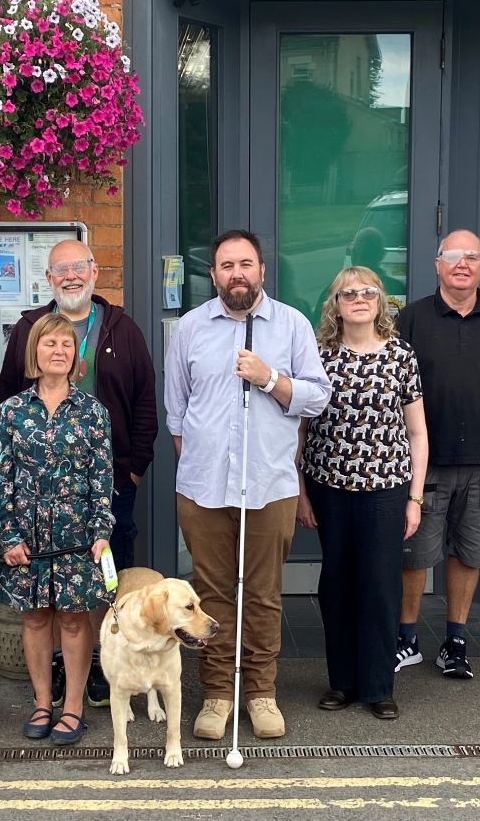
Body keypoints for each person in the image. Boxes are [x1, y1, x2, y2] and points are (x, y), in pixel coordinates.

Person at [165, 229, 331, 742]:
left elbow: (318, 397)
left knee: (261, 594)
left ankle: (260, 692)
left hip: (269, 484)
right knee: (211, 595)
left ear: (262, 270)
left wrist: (268, 379)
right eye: (226, 265)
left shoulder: (292, 325)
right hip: (203, 487)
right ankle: (217, 694)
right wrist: (201, 464)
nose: (236, 273)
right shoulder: (190, 328)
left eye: (246, 264)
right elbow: (177, 414)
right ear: (213, 274)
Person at [0, 238, 157, 708]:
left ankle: (104, 669)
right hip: (35, 500)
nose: (71, 276)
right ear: (48, 279)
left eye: (79, 267)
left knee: (106, 582)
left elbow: (146, 400)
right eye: (60, 269)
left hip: (108, 488)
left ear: (95, 271)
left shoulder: (122, 328)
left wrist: (134, 472)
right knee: (46, 599)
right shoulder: (29, 328)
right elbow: (9, 394)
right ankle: (59, 680)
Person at [393, 229, 480, 681]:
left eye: (472, 257)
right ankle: (406, 638)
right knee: (414, 556)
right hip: (423, 465)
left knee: (470, 553)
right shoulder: (411, 319)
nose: (462, 264)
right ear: (437, 264)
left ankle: (455, 641)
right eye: (452, 256)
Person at [297, 268, 428, 720]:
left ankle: (378, 686)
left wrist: (415, 498)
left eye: (367, 292)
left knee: (379, 585)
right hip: (328, 487)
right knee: (336, 584)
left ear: (379, 301)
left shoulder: (401, 355)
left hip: (386, 490)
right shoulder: (318, 356)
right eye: (347, 293)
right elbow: (301, 428)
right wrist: (299, 491)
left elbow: (417, 431)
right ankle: (342, 683)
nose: (358, 299)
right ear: (334, 304)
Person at [0, 312, 115, 745]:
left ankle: (74, 708)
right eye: (50, 344)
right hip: (26, 535)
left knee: (75, 620)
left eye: (66, 344)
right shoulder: (11, 411)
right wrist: (8, 535)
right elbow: (0, 477)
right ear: (35, 352)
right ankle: (43, 702)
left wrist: (102, 531)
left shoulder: (93, 412)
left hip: (77, 533)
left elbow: (103, 477)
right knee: (35, 617)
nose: (58, 351)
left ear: (75, 356)